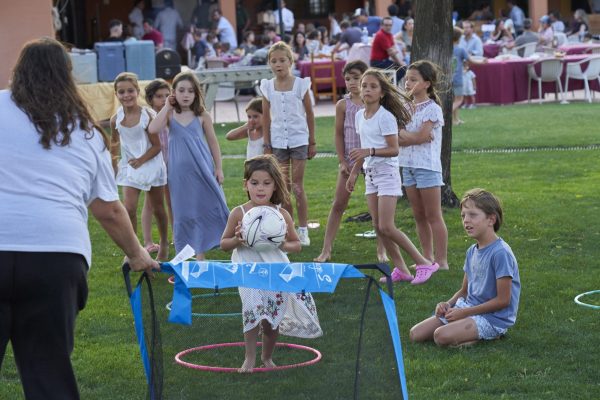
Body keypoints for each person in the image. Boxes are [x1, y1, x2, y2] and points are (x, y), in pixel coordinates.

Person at [0, 37, 157, 400]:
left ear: (18, 71)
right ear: (67, 76)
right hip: (56, 260)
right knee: (49, 375)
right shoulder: (85, 130)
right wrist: (137, 255)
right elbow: (108, 209)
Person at [220, 155, 322, 373]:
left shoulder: (281, 215)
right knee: (252, 312)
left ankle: (267, 357)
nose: (260, 188)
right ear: (245, 184)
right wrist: (238, 239)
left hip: (276, 273)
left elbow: (296, 245)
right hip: (248, 273)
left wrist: (283, 243)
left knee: (271, 321)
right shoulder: (239, 213)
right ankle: (249, 358)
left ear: (275, 185)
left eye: (267, 183)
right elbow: (223, 244)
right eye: (255, 183)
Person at [346, 69, 437, 284]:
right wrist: (353, 174)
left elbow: (394, 149)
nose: (367, 90)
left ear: (382, 93)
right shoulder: (360, 115)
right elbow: (363, 148)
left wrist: (370, 152)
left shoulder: (385, 117)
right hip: (371, 174)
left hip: (387, 173)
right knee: (378, 227)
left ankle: (424, 262)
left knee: (387, 226)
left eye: (373, 87)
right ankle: (402, 270)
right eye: (364, 86)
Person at [409, 188, 521, 347]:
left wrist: (465, 313)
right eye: (463, 216)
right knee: (416, 334)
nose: (466, 221)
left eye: (472, 215)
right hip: (468, 308)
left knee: (440, 337)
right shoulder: (471, 252)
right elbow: (464, 291)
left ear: (491, 219)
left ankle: (489, 335)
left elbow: (503, 300)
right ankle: (465, 332)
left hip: (493, 318)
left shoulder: (501, 253)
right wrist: (447, 304)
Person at [148, 72, 229, 260]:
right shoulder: (169, 115)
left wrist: (218, 168)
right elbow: (153, 128)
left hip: (202, 170)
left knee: (208, 205)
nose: (186, 95)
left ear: (196, 94)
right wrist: (167, 106)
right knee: (184, 212)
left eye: (190, 91)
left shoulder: (202, 116)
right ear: (173, 92)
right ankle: (184, 255)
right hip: (178, 174)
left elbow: (213, 143)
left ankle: (204, 253)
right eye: (181, 90)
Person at [314, 61, 388, 263]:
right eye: (348, 79)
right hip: (350, 160)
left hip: (374, 160)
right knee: (339, 203)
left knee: (377, 210)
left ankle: (382, 250)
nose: (352, 83)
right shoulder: (343, 105)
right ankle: (326, 249)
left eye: (357, 78)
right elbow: (339, 134)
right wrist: (342, 161)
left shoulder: (376, 104)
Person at [260, 42, 316, 246]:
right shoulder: (267, 86)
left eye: (282, 60)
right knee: (283, 190)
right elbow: (266, 117)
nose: (278, 64)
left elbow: (310, 114)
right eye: (273, 61)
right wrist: (267, 143)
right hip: (277, 142)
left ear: (290, 61)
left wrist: (312, 141)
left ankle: (303, 230)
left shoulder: (301, 85)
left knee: (298, 187)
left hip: (299, 140)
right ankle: (287, 228)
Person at [110, 73, 170, 261]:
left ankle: (164, 242)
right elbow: (114, 142)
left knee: (159, 208)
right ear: (116, 94)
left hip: (151, 163)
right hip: (130, 167)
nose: (126, 95)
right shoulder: (115, 119)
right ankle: (134, 250)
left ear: (137, 92)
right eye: (121, 92)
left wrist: (141, 160)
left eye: (130, 91)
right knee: (128, 208)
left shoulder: (148, 116)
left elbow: (157, 146)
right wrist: (113, 162)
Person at [398, 61, 449, 281]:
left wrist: (409, 137)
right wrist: (412, 137)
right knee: (418, 214)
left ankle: (442, 260)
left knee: (433, 214)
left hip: (427, 167)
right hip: (407, 165)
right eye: (407, 79)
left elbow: (419, 136)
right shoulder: (404, 106)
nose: (408, 83)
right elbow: (398, 136)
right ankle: (426, 258)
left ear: (426, 84)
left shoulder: (432, 109)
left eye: (413, 79)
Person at [141, 79, 173, 255]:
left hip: (171, 163)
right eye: (159, 96)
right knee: (151, 204)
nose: (163, 99)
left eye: (167, 95)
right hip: (155, 165)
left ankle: (176, 236)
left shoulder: (173, 114)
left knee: (171, 202)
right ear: (151, 99)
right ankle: (148, 241)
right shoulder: (149, 115)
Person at [452, 26, 486, 125]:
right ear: (459, 38)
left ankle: (455, 120)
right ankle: (445, 115)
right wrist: (482, 63)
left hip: (448, 78)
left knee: (454, 100)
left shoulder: (446, 49)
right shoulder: (461, 50)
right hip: (457, 78)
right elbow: (471, 61)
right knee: (459, 99)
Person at [370, 17, 407, 82]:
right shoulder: (381, 35)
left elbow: (394, 49)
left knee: (402, 67)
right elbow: (392, 53)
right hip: (377, 63)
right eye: (386, 25)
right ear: (381, 25)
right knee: (403, 69)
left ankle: (390, 84)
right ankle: (390, 85)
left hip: (384, 61)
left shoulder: (389, 34)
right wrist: (400, 63)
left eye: (390, 25)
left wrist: (398, 60)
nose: (388, 27)